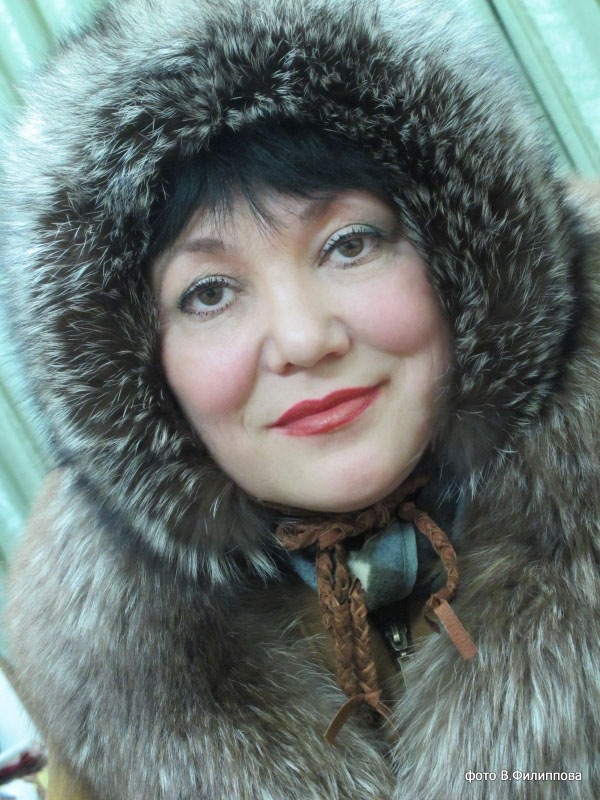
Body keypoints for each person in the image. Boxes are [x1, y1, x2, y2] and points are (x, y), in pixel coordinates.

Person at [1, 0, 599, 798]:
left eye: (349, 244)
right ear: (136, 373)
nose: (303, 339)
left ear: (465, 258)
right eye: (209, 293)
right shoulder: (99, 670)